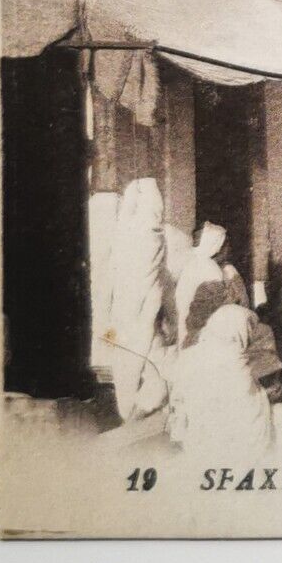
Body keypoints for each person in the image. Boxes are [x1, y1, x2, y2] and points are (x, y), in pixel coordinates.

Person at [168, 305, 282, 465]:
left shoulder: (187, 356)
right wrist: (267, 394)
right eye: (249, 328)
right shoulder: (234, 359)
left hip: (197, 443)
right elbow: (251, 414)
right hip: (233, 447)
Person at [106, 177, 174, 421]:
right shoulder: (150, 237)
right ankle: (134, 414)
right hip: (138, 315)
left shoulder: (126, 234)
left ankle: (132, 414)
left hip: (131, 314)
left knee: (132, 368)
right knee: (146, 370)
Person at [174, 222, 248, 347]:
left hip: (187, 334)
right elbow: (222, 306)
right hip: (203, 335)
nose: (229, 249)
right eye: (226, 244)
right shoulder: (209, 268)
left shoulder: (193, 264)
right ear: (217, 247)